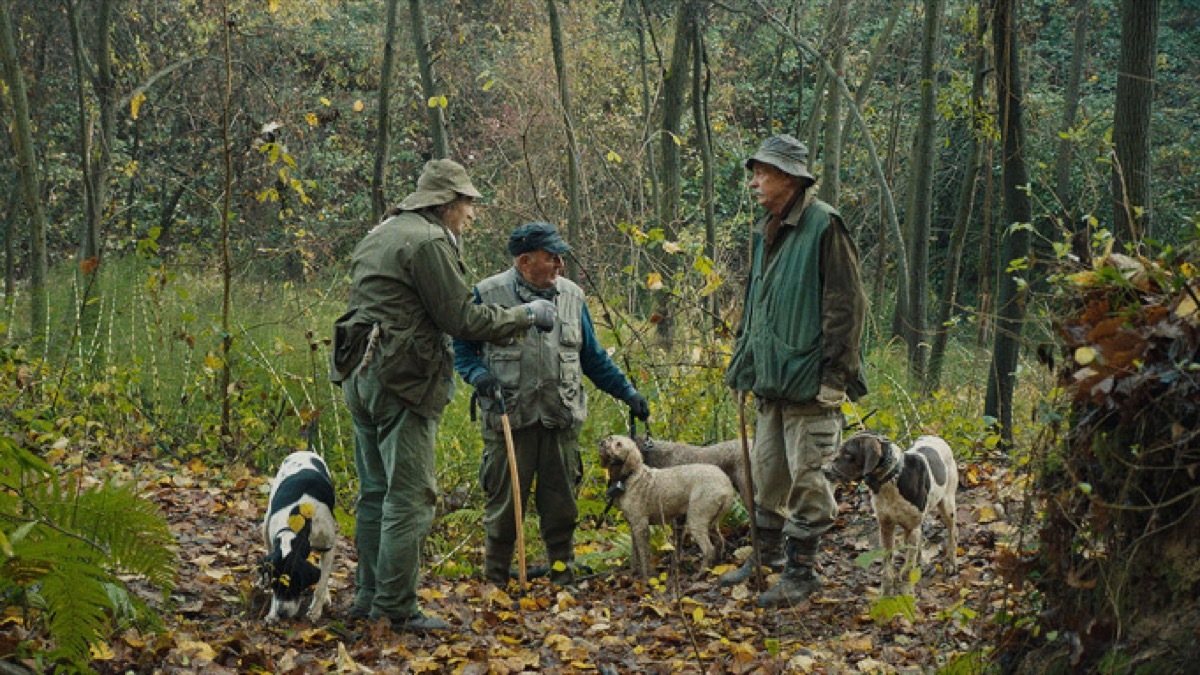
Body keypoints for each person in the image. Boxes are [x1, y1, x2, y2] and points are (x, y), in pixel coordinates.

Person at [330, 159, 558, 631]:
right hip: (402, 379)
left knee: (375, 493)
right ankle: (394, 609)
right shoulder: (430, 240)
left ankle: (368, 599)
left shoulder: (383, 231)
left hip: (359, 373)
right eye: (468, 205)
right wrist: (528, 316)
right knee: (409, 497)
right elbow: (463, 320)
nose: (472, 215)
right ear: (447, 204)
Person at [453, 221, 650, 586]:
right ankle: (496, 582)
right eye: (552, 257)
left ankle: (563, 577)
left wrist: (628, 393)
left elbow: (593, 358)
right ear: (525, 261)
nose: (561, 265)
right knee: (504, 510)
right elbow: (462, 350)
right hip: (509, 420)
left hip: (560, 421)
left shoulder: (573, 297)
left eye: (562, 257)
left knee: (561, 509)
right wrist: (478, 376)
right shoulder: (487, 294)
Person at [721, 135, 868, 607]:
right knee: (767, 476)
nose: (754, 182)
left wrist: (835, 377)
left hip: (810, 385)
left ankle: (802, 575)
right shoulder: (770, 228)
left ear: (788, 177)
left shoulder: (825, 225)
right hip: (772, 384)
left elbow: (846, 306)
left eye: (762, 172)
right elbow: (756, 308)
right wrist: (745, 368)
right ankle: (767, 558)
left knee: (810, 479)